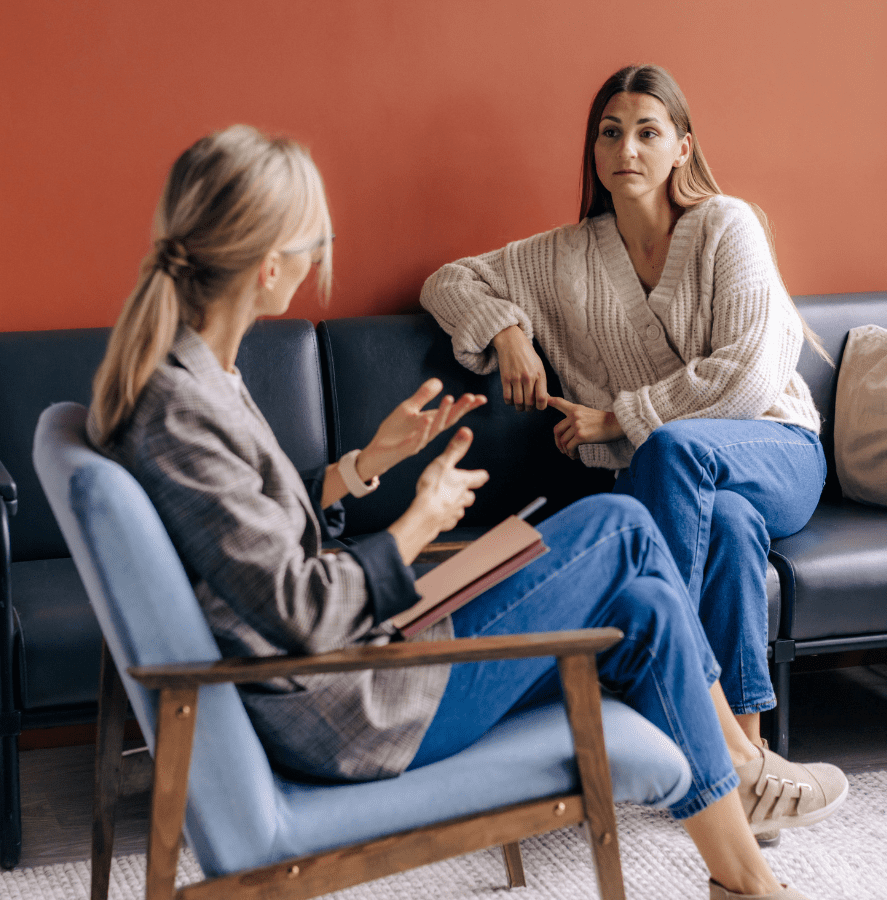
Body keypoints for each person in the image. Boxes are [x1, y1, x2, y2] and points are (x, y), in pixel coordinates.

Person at [88, 123, 838, 900]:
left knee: (647, 601)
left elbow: (251, 525)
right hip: (354, 703)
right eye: (318, 239)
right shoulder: (180, 407)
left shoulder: (193, 374)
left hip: (359, 663)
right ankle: (745, 768)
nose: (322, 256)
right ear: (269, 261)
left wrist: (365, 465)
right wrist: (421, 519)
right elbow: (297, 609)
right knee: (622, 529)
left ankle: (743, 880)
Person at [420, 65, 840, 840]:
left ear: (682, 147)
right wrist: (510, 331)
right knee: (734, 527)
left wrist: (618, 418)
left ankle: (665, 695)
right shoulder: (566, 255)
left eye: (648, 131)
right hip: (693, 479)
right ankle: (745, 755)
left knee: (681, 455)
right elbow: (449, 281)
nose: (627, 147)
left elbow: (749, 372)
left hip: (775, 446)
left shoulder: (727, 225)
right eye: (610, 132)